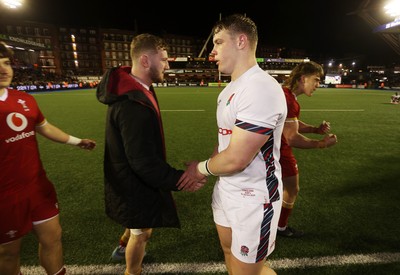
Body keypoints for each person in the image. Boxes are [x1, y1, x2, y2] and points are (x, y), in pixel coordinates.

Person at [183, 14, 287, 275]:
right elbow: (225, 144)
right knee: (230, 256)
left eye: (218, 43)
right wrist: (212, 165)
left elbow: (237, 158)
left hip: (254, 199)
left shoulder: (260, 87)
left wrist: (201, 169)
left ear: (241, 41)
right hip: (227, 189)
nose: (212, 51)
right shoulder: (230, 89)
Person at [96, 33, 205, 275]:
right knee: (142, 232)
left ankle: (122, 247)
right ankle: (131, 271)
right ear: (146, 61)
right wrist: (181, 179)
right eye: (164, 60)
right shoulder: (132, 104)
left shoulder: (135, 88)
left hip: (128, 177)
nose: (168, 65)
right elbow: (142, 162)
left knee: (139, 225)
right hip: (132, 182)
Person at [0, 41, 96, 275]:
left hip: (37, 187)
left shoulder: (24, 99)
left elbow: (44, 127)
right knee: (8, 253)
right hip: (4, 196)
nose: (4, 69)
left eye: (5, 63)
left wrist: (76, 141)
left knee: (53, 238)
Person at [277, 61, 338, 238]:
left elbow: (292, 123)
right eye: (316, 80)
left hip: (272, 148)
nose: (318, 85)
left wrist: (314, 129)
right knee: (292, 188)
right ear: (303, 79)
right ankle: (280, 227)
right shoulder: (289, 99)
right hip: (280, 150)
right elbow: (292, 137)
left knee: (275, 188)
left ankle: (273, 224)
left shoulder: (287, 95)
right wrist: (322, 144)